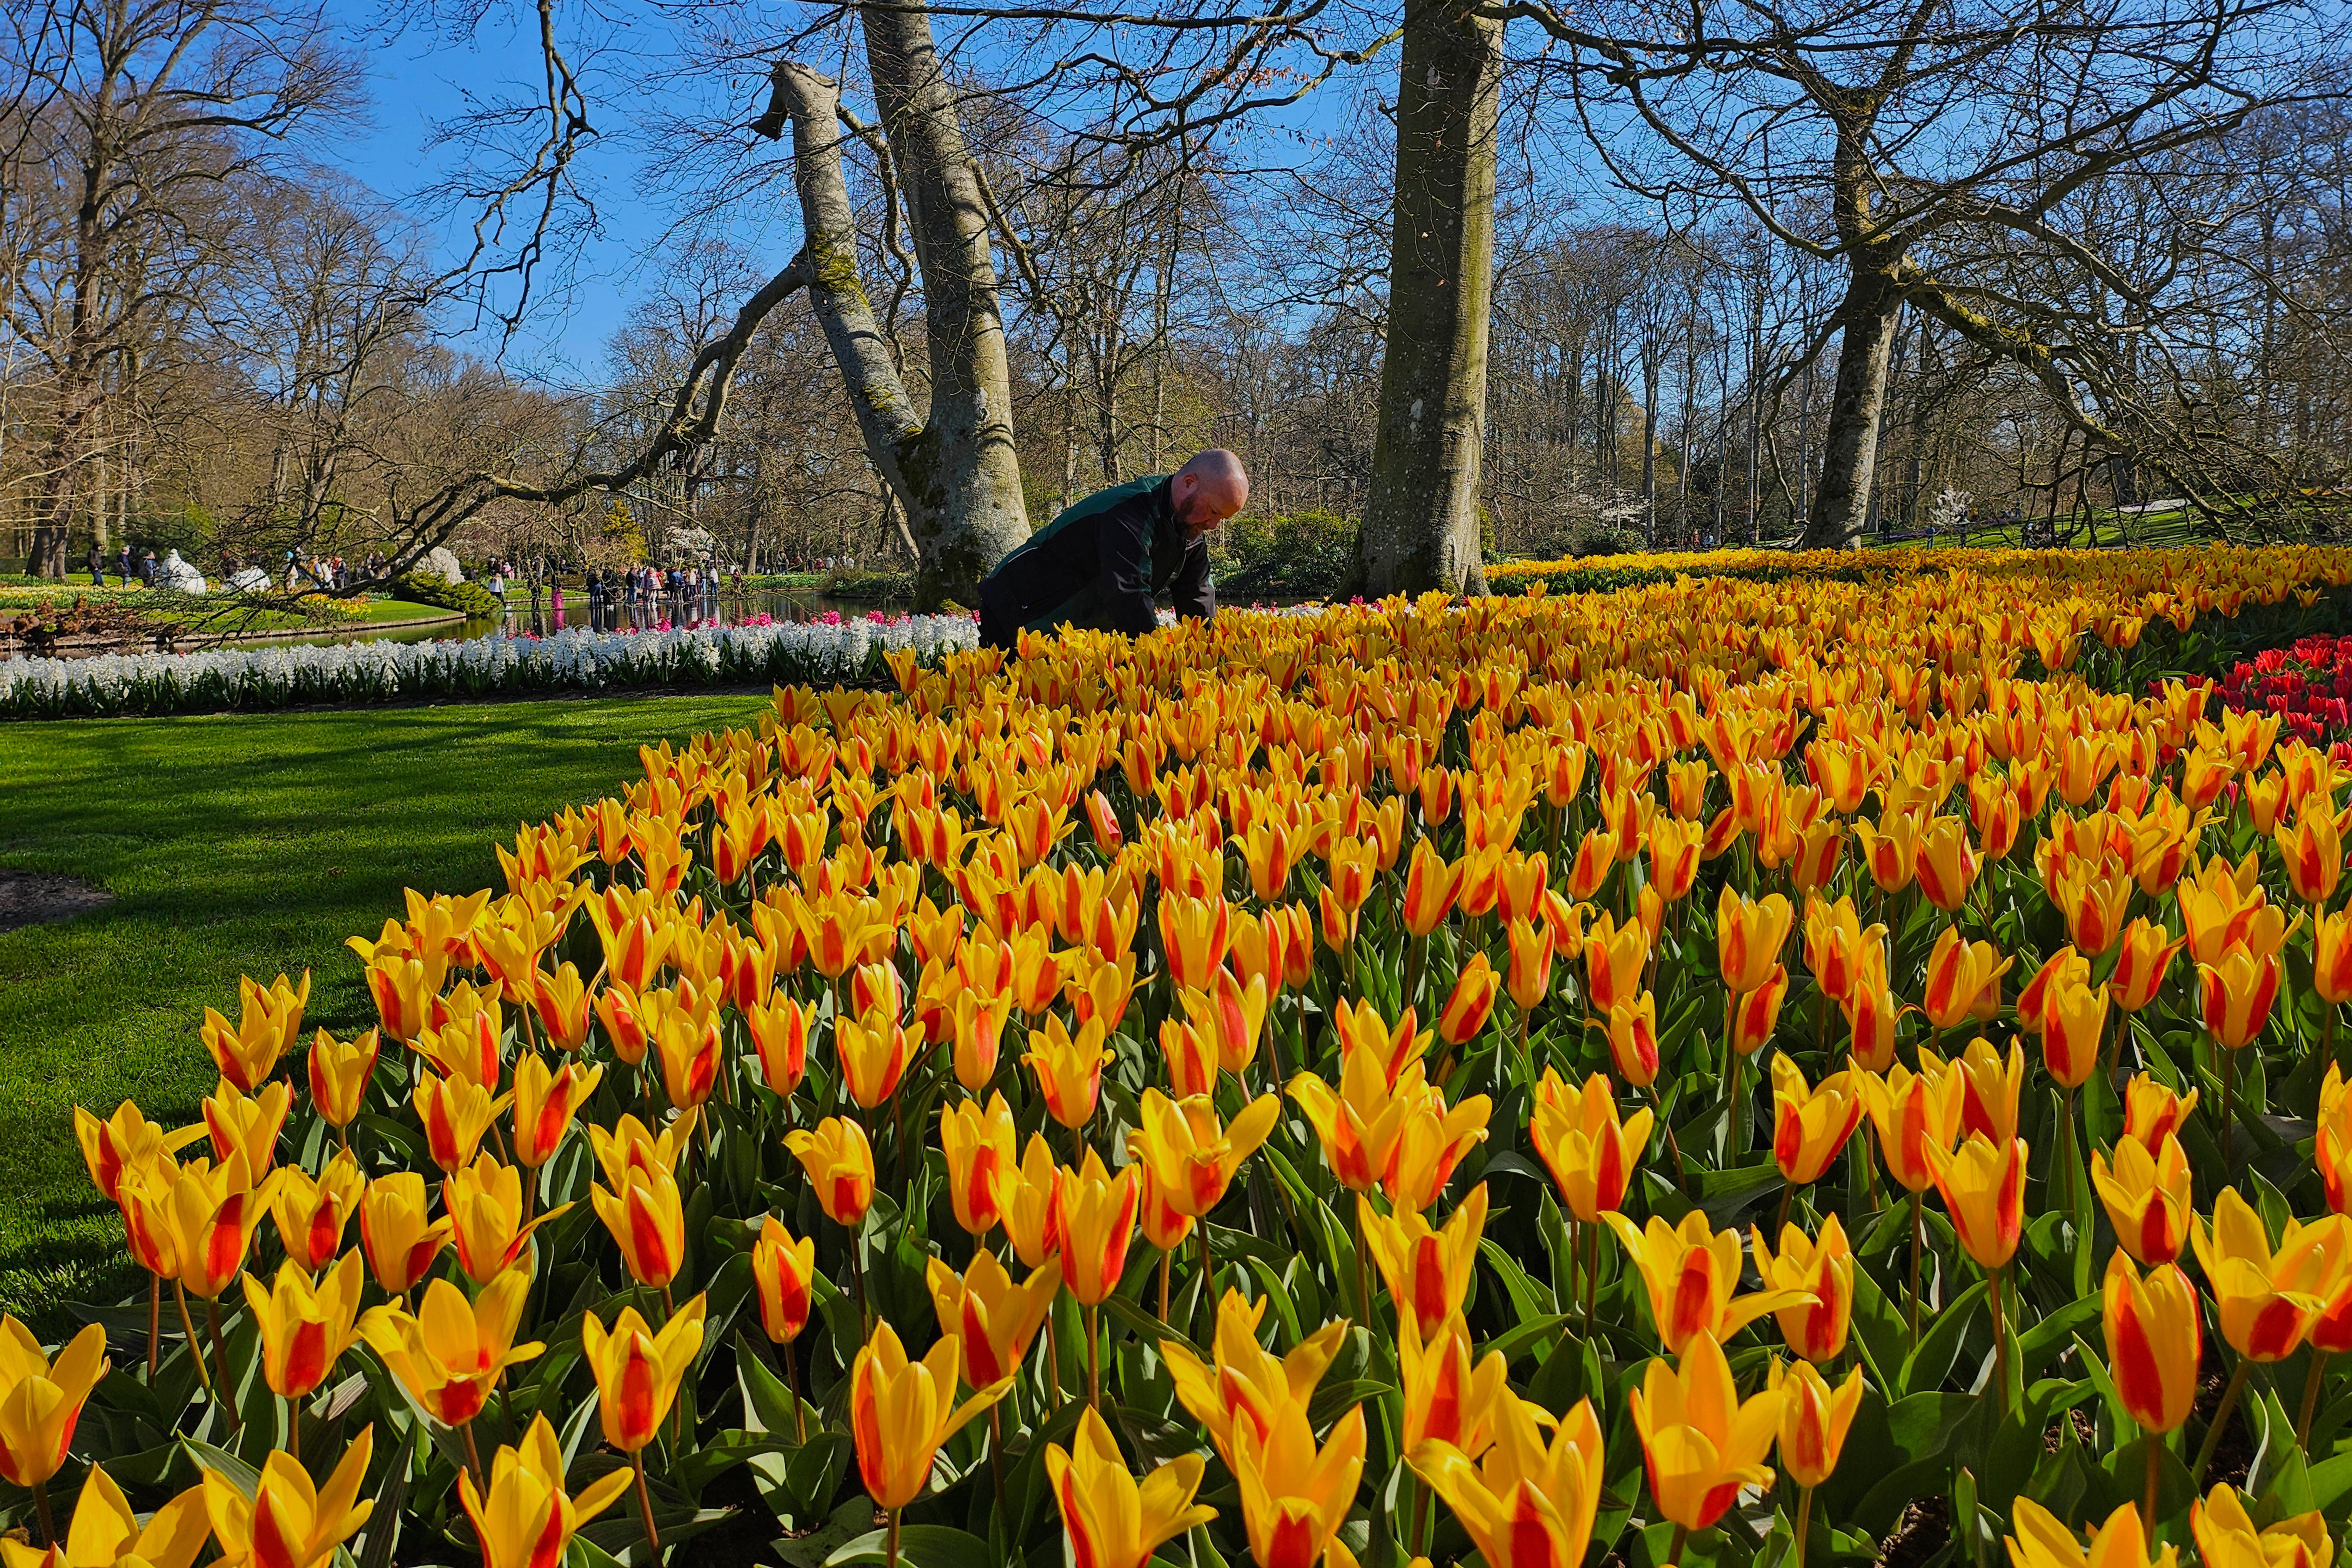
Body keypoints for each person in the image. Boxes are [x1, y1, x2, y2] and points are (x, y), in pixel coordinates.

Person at [977, 449, 1244, 651]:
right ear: (1189, 483)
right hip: (1016, 608)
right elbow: (1127, 595)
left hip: (1065, 626)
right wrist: (1158, 660)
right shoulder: (1127, 514)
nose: (1213, 525)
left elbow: (1196, 598)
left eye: (1222, 519)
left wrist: (1210, 655)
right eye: (1213, 512)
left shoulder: (1189, 528)